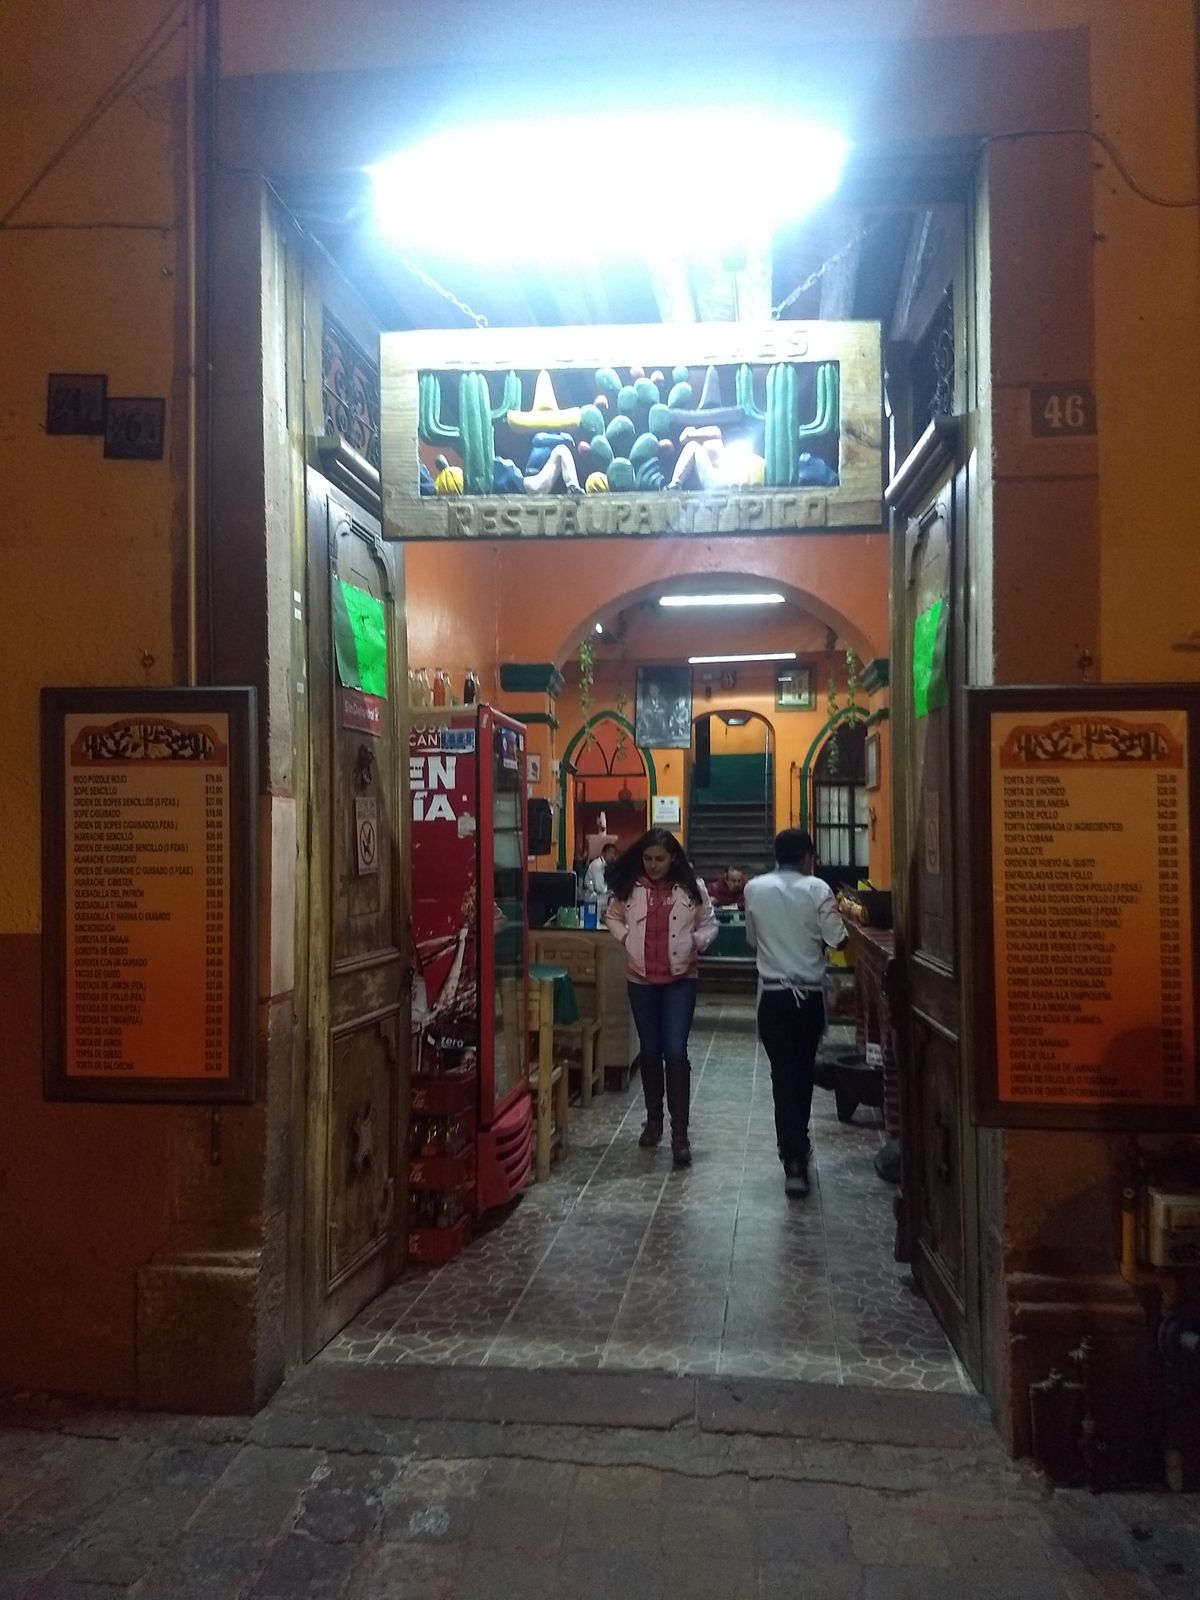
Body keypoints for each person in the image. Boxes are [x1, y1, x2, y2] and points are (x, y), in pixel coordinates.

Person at [603, 828, 717, 1167]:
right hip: (641, 979)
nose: (653, 865)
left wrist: (697, 942)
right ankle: (654, 1121)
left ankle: (680, 1135)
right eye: (648, 858)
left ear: (673, 858)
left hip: (680, 979)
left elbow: (709, 924)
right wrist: (626, 939)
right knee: (650, 1050)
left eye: (660, 859)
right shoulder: (630, 886)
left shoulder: (692, 887)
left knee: (676, 1051)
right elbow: (613, 916)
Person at [743, 828, 846, 1199]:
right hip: (808, 1000)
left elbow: (753, 939)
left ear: (776, 855)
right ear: (808, 858)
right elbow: (837, 939)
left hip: (772, 998)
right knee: (802, 1074)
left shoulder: (754, 888)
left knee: (782, 1076)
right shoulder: (818, 889)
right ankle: (797, 1149)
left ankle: (793, 1157)